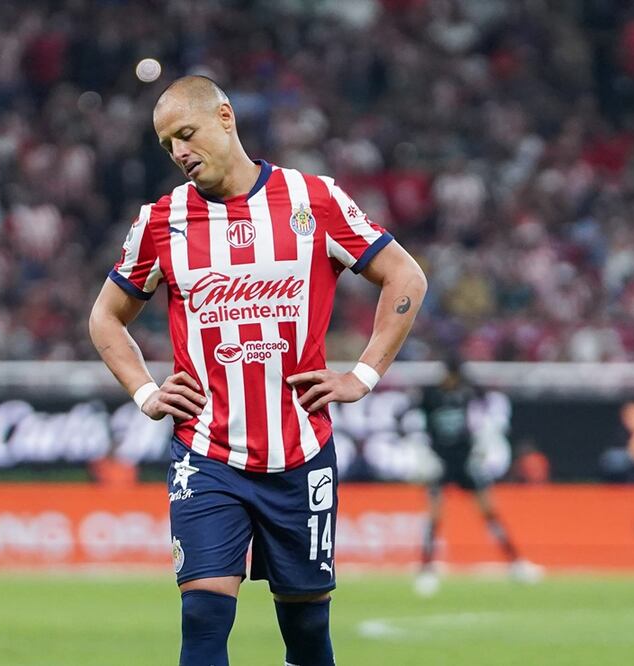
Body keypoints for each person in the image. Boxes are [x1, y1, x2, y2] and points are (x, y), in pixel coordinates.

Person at [89, 76, 427, 666]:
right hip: (207, 454)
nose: (179, 153)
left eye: (186, 134)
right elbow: (105, 318)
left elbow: (407, 277)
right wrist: (144, 390)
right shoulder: (160, 221)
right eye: (168, 144)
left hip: (300, 455)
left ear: (226, 117)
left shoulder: (312, 200)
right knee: (204, 617)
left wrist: (363, 376)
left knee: (306, 633)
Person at [414, 355, 542, 597]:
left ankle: (515, 563)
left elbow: (477, 423)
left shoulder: (467, 393)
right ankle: (427, 569)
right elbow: (418, 426)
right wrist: (424, 455)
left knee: (489, 512)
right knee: (434, 516)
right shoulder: (429, 396)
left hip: (464, 459)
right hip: (440, 461)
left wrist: (479, 450)